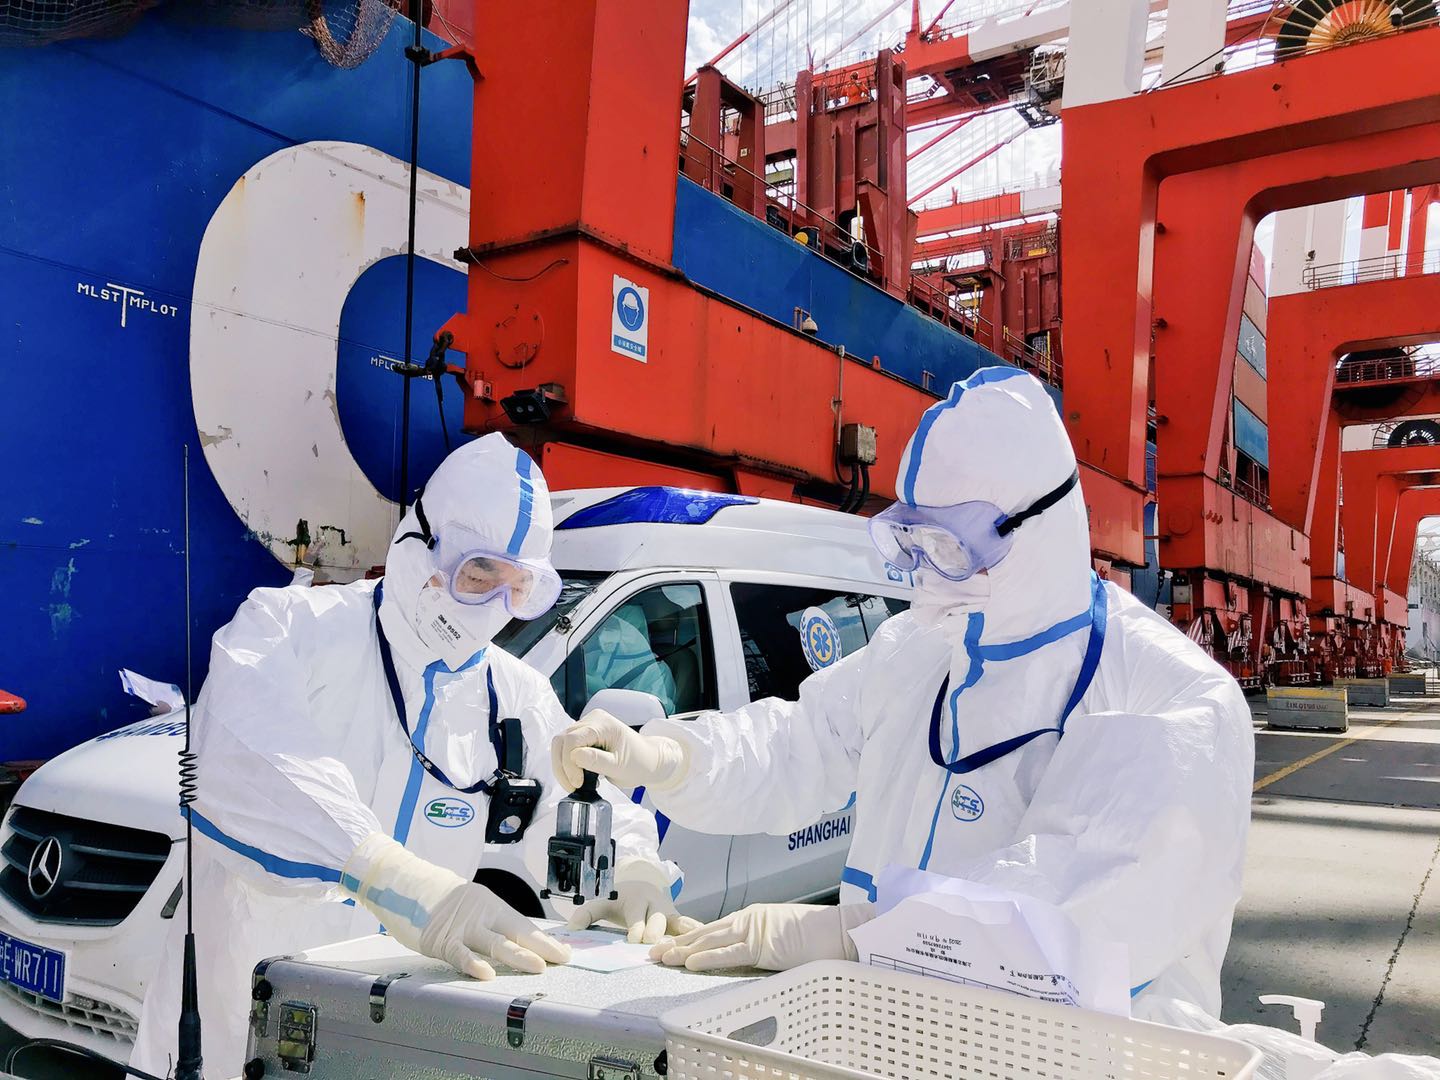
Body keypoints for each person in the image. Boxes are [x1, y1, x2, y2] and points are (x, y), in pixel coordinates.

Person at [554, 367, 1255, 1020]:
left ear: (1040, 525)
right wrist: (668, 756)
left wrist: (862, 935)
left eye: (950, 548)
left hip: (1082, 1056)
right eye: (913, 543)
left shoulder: (1174, 699)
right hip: (889, 1032)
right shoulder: (919, 651)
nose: (925, 577)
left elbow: (1093, 910)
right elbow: (798, 743)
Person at [132, 433, 690, 1078]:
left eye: (518, 588)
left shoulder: (513, 693)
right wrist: (386, 875)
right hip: (237, 1013)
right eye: (478, 573)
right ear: (417, 543)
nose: (494, 608)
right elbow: (252, 757)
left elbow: (576, 798)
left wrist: (631, 873)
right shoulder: (290, 627)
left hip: (390, 1030)